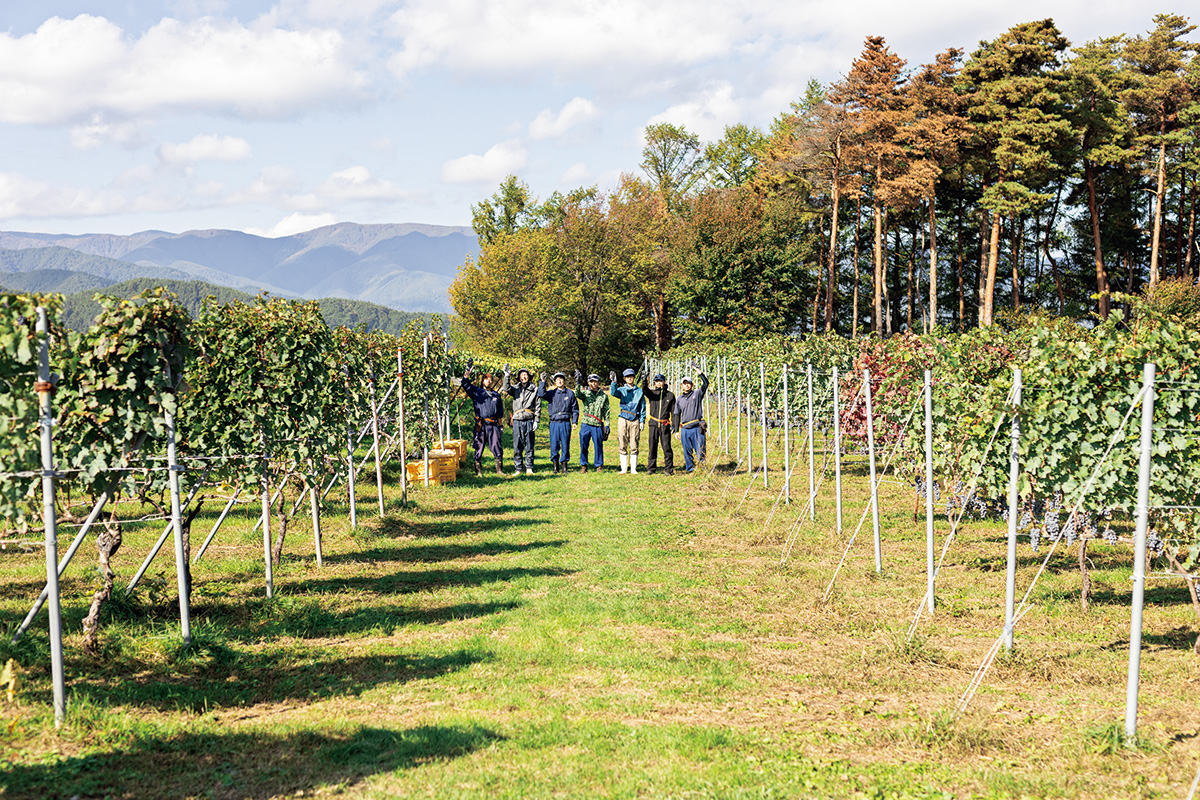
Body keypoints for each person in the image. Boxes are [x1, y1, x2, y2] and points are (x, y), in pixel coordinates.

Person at [461, 359, 505, 476]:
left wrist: (500, 426)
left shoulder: (496, 395)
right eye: (486, 379)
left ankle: (499, 470)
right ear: (482, 380)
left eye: (490, 379)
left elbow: (499, 413)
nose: (489, 381)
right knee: (478, 446)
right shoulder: (477, 392)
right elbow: (465, 384)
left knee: (496, 446)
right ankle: (478, 471)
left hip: (493, 425)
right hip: (481, 425)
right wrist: (467, 371)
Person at [537, 371, 578, 473]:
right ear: (555, 382)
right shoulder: (551, 393)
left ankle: (564, 466)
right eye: (557, 379)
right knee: (554, 445)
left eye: (561, 379)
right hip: (554, 423)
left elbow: (575, 409)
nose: (559, 381)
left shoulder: (570, 393)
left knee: (565, 444)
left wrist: (574, 421)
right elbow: (541, 394)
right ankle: (555, 466)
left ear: (564, 381)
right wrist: (542, 381)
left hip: (565, 422)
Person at [503, 364, 539, 475]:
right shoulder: (515, 388)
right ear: (519, 377)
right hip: (517, 420)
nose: (524, 377)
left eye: (525, 374)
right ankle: (518, 468)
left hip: (529, 419)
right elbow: (506, 388)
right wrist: (506, 376)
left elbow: (538, 405)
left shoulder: (534, 389)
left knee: (529, 444)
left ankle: (529, 467)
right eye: (521, 375)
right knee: (517, 445)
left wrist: (536, 420)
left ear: (529, 376)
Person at [674, 361, 709, 473]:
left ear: (692, 385)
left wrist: (699, 371)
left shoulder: (697, 394)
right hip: (685, 429)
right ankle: (690, 469)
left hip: (697, 427)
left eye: (688, 383)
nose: (686, 385)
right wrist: (676, 430)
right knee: (687, 450)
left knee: (700, 450)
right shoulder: (679, 399)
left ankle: (702, 469)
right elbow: (676, 414)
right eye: (684, 383)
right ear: (681, 385)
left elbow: (706, 383)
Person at [609, 368, 645, 474]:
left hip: (634, 419)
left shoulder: (639, 392)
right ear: (624, 379)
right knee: (622, 441)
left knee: (634, 442)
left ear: (634, 378)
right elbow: (613, 392)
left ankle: (633, 468)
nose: (630, 378)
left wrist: (642, 420)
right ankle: (623, 468)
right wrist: (614, 382)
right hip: (623, 418)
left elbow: (642, 407)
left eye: (631, 376)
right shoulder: (622, 390)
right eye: (627, 377)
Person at [573, 370, 609, 473]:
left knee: (598, 446)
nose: (593, 383)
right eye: (591, 381)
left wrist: (607, 425)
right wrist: (578, 383)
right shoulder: (585, 393)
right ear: (588, 382)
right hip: (586, 423)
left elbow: (606, 411)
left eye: (595, 381)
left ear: (598, 382)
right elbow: (577, 394)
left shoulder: (603, 396)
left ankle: (599, 466)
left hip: (597, 424)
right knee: (583, 445)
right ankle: (583, 465)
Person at [641, 372, 675, 475]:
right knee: (652, 446)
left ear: (664, 382)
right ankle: (651, 468)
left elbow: (673, 411)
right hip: (653, 424)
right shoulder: (652, 394)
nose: (659, 383)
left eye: (660, 381)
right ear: (655, 383)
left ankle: (669, 469)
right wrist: (644, 380)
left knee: (667, 447)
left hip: (664, 425)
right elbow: (644, 390)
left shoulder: (670, 395)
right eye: (657, 381)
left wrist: (674, 425)